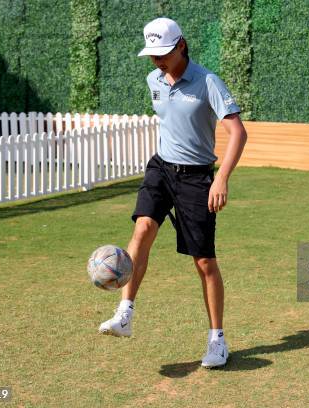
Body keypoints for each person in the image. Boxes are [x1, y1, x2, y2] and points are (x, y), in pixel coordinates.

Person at [98, 17, 247, 369]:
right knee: (143, 228)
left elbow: (237, 132)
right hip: (161, 168)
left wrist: (221, 178)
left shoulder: (207, 81)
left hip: (197, 179)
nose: (157, 62)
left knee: (204, 262)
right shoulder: (153, 80)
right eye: (152, 55)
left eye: (163, 54)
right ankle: (124, 313)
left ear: (181, 46)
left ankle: (217, 341)